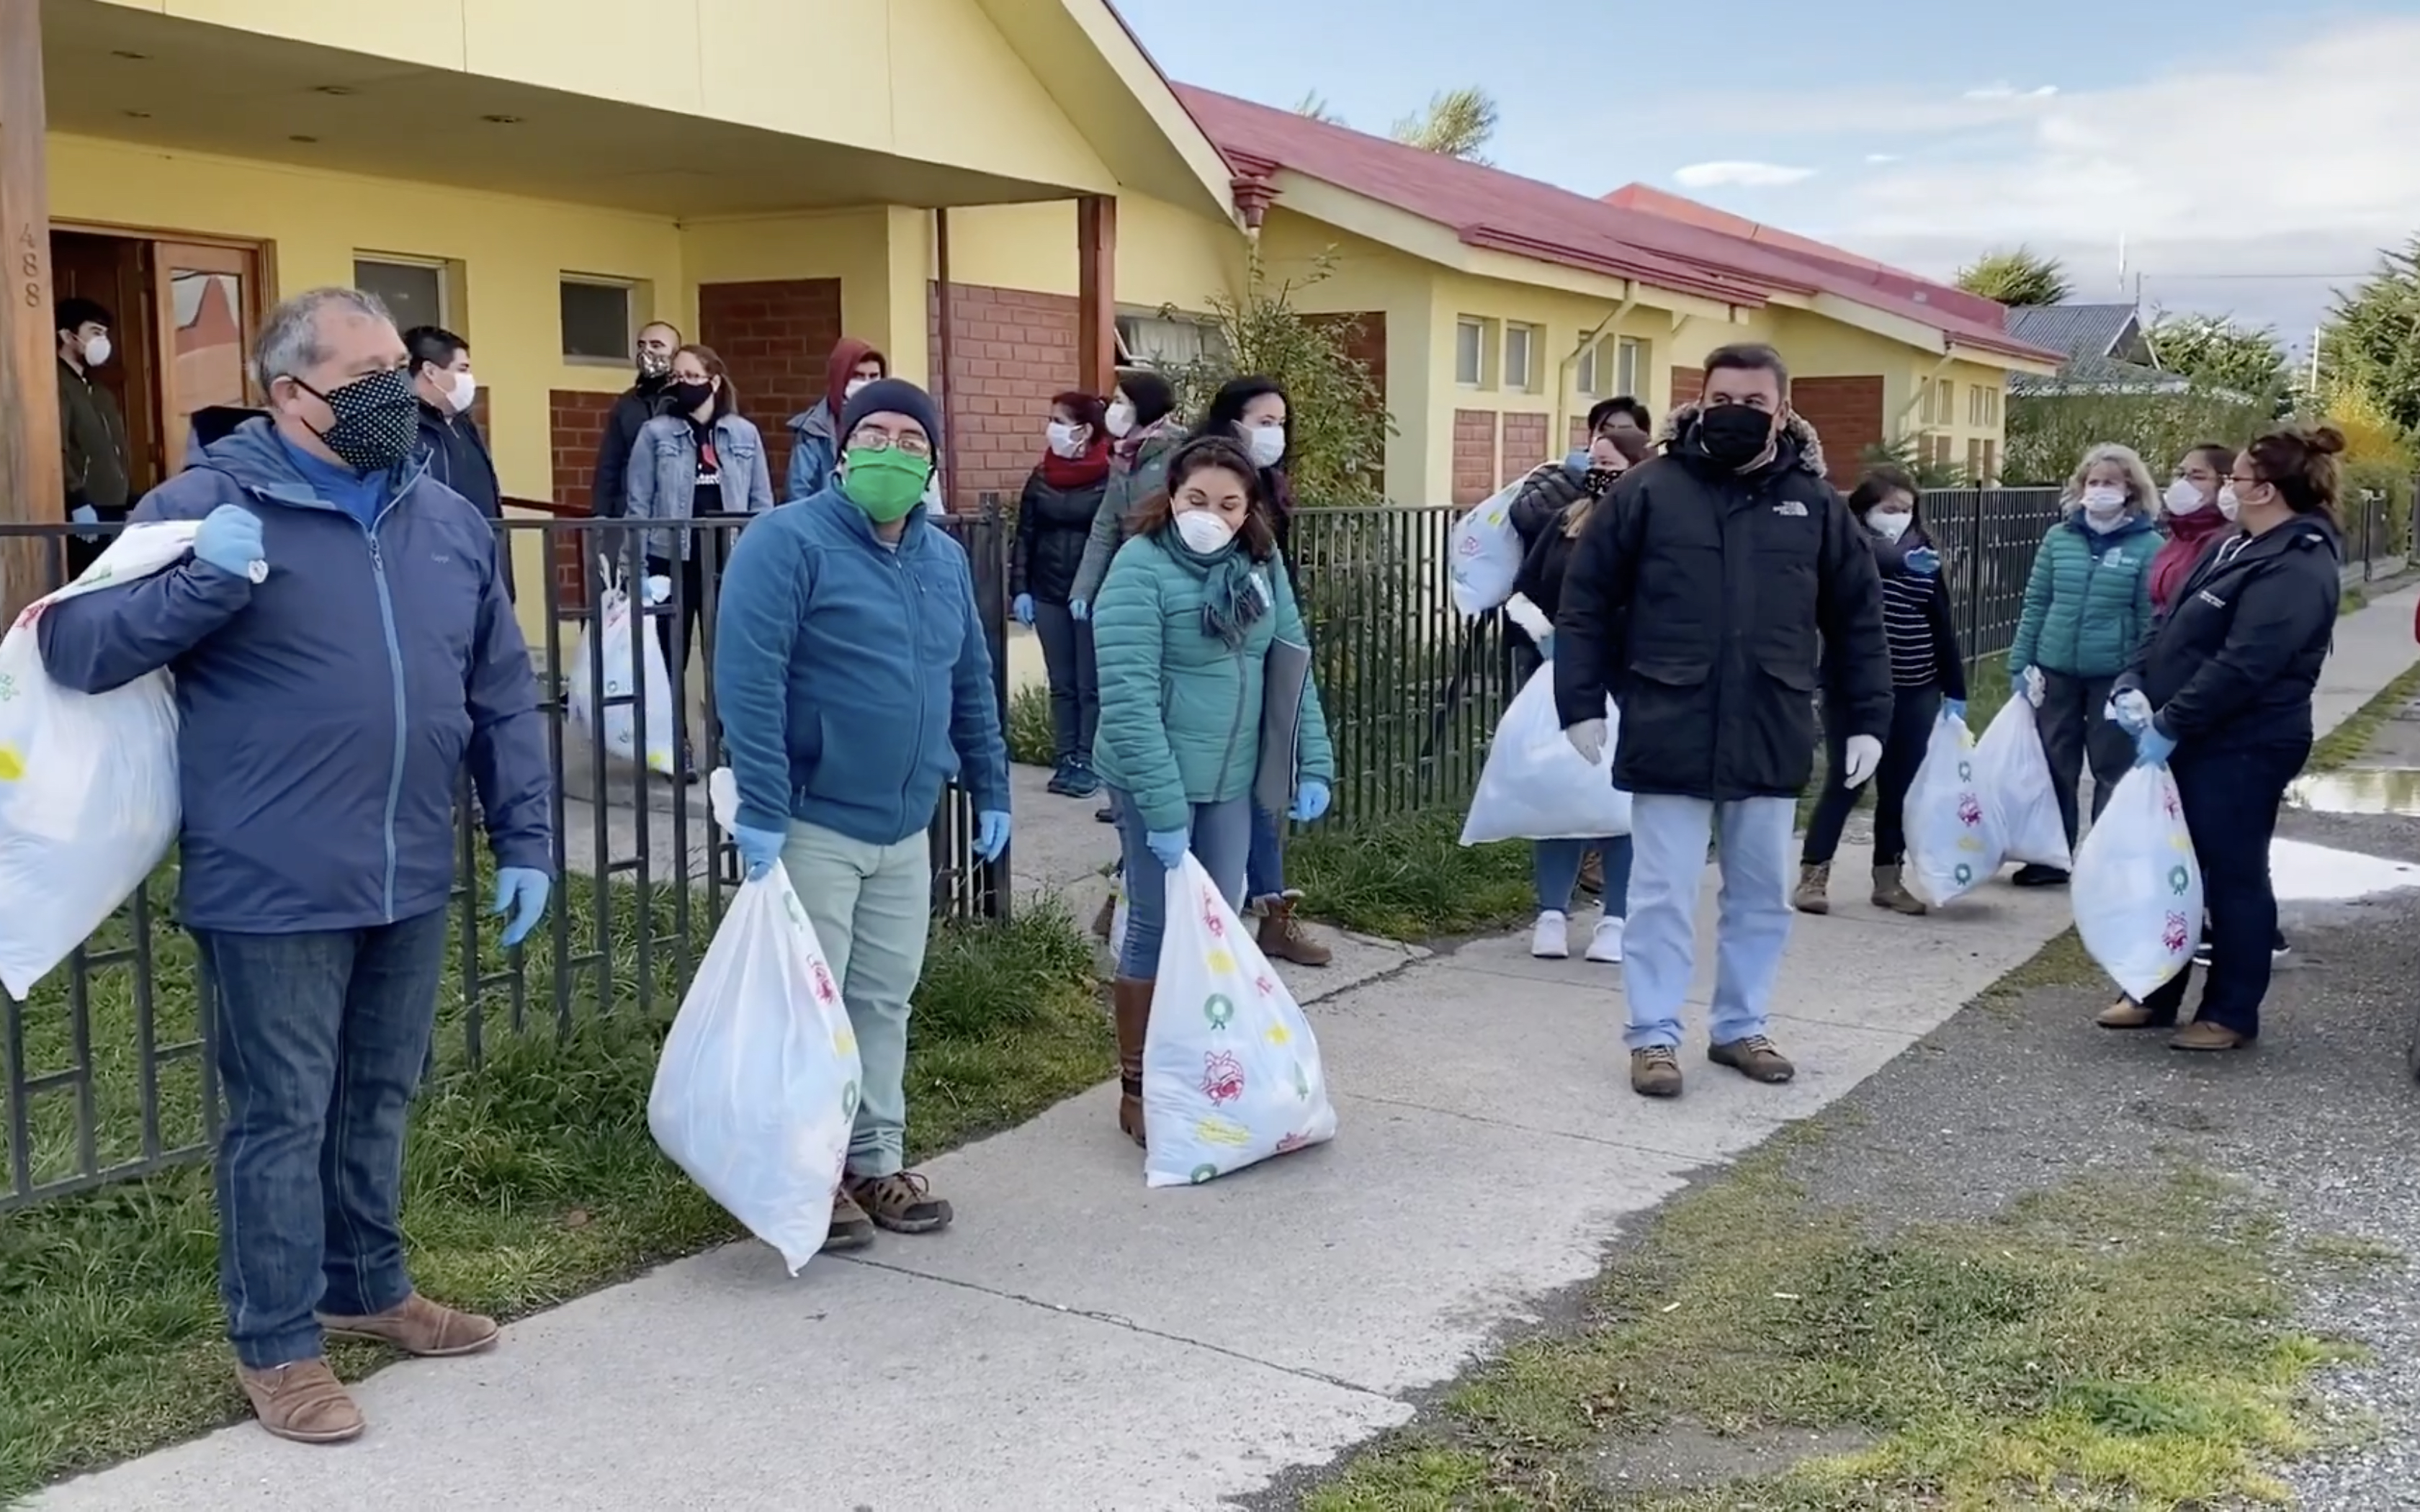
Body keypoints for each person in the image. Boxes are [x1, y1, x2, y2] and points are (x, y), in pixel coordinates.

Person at [35, 286, 552, 1444]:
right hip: (273, 878)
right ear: (290, 395)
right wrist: (201, 579)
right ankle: (277, 1342)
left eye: (402, 373)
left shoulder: (444, 516)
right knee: (280, 1114)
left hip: (410, 866)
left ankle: (365, 1287)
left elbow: (501, 691)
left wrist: (525, 837)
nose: (402, 394)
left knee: (378, 1094)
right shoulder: (209, 503)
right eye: (369, 377)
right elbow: (75, 645)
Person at [714, 376, 1010, 1247]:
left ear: (932, 463)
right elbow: (750, 679)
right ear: (842, 452)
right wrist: (763, 804)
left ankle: (872, 1162)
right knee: (810, 1005)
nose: (892, 452)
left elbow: (969, 681)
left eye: (912, 442)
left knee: (884, 1000)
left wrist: (989, 783)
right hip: (813, 819)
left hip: (903, 824)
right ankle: (803, 1173)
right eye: (874, 435)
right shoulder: (787, 542)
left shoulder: (943, 558)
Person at [1554, 343, 1890, 1100]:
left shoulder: (1816, 505)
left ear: (1783, 409)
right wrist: (1580, 701)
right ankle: (1653, 1037)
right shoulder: (1649, 491)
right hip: (1668, 715)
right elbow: (1586, 601)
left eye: (1755, 402)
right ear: (1699, 401)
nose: (1736, 413)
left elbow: (1858, 618)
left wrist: (1866, 716)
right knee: (1663, 892)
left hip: (1770, 723)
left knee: (1760, 892)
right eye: (1723, 398)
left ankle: (1741, 1027)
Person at [1091, 435, 1334, 1146]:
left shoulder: (1260, 566)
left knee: (1218, 923)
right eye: (1197, 499)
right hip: (1151, 778)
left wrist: (1310, 763)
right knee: (1158, 928)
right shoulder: (1137, 570)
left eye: (1229, 504)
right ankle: (1137, 1087)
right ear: (1172, 496)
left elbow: (1291, 669)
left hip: (1229, 781)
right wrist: (1163, 811)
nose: (1212, 515)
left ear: (1248, 509)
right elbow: (1130, 700)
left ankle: (1199, 1068)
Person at [2098, 423, 2344, 1050]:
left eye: (2234, 478)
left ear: (2264, 489)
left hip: (2246, 743)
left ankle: (2230, 1012)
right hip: (2186, 736)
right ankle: (2153, 991)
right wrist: (2133, 680)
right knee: (2170, 868)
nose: (2222, 489)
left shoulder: (2299, 562)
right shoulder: (2229, 545)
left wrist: (2172, 721)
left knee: (2231, 875)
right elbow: (2170, 621)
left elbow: (2246, 663)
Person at [1193, 376, 1330, 966]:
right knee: (1197, 802)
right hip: (1204, 664)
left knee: (1264, 788)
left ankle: (1272, 914)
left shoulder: (1269, 493)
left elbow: (1278, 595)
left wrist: (1316, 759)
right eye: (1264, 420)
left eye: (1281, 422)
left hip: (1263, 642)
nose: (1274, 433)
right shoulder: (1189, 481)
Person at [1502, 422, 1651, 963]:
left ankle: (1616, 917)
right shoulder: (1567, 520)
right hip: (1565, 675)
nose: (1598, 469)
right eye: (1593, 459)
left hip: (1632, 681)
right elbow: (1526, 587)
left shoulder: (1655, 528)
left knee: (1620, 804)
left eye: (1610, 460)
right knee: (1558, 795)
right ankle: (1550, 913)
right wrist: (1542, 632)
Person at [1794, 466, 1968, 917]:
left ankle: (1889, 878)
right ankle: (1814, 874)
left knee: (1900, 788)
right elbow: (1871, 561)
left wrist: (1954, 687)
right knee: (1846, 781)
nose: (1898, 517)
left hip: (1917, 687)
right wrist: (1899, 560)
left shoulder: (1923, 553)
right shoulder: (1849, 552)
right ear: (1865, 511)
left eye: (1907, 510)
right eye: (1889, 509)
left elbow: (1941, 624)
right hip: (1854, 692)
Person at [2004, 443, 2161, 886]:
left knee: (2113, 767)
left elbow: (2150, 617)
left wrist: (2139, 677)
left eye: (2110, 482)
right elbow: (2037, 601)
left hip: (2113, 673)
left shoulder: (2149, 545)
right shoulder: (2060, 539)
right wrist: (2021, 662)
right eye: (2093, 482)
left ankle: (2106, 859)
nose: (2100, 490)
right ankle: (2053, 856)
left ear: (2130, 489)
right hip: (2057, 668)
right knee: (2055, 763)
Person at [627, 343, 774, 776]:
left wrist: (765, 563)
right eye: (676, 377)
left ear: (713, 381)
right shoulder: (655, 433)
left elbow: (762, 502)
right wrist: (634, 569)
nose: (682, 384)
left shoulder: (743, 434)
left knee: (728, 657)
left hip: (730, 560)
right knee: (669, 657)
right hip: (669, 558)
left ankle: (732, 747)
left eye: (691, 376)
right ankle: (676, 745)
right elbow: (638, 504)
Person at [1075, 371, 1188, 850]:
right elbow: (1105, 525)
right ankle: (1125, 791)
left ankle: (1162, 794)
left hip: (1164, 586)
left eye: (1121, 400)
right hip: (1125, 584)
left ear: (1145, 406)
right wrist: (1087, 587)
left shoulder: (1176, 453)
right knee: (1123, 693)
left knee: (1157, 695)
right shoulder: (1123, 456)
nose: (1112, 409)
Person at [1012, 391, 1111, 800]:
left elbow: (1113, 536)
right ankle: (1066, 756)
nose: (1051, 428)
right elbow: (1025, 537)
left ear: (1085, 429)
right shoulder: (1041, 476)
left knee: (1091, 684)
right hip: (1048, 591)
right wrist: (1020, 589)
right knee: (1062, 683)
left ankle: (1089, 760)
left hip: (1092, 594)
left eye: (1059, 420)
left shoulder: (1110, 476)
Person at [404, 325, 511, 599]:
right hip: (437, 576)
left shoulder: (464, 425)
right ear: (430, 371)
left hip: (484, 567)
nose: (469, 379)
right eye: (462, 369)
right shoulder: (404, 429)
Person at [57, 296, 132, 580]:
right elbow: (56, 450)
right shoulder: (57, 385)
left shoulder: (98, 391)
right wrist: (77, 500)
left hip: (112, 507)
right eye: (95, 332)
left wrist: (127, 498)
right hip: (84, 508)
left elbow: (113, 450)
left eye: (105, 334)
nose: (103, 341)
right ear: (67, 335)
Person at [592, 320, 681, 522]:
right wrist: (601, 513)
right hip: (631, 511)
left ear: (676, 353)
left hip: (677, 512)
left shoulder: (687, 401)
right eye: (642, 345)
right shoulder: (627, 403)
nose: (647, 351)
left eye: (657, 345)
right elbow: (610, 462)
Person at [786, 337, 887, 502]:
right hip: (826, 521)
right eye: (858, 376)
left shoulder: (895, 422)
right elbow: (799, 492)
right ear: (841, 377)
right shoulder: (814, 429)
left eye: (873, 376)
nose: (866, 383)